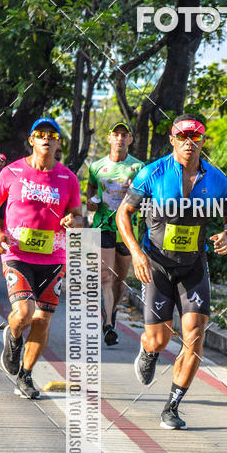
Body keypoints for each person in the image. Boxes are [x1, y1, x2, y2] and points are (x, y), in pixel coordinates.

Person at [116, 113, 227, 429]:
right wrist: (136, 252)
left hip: (193, 266)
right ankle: (148, 349)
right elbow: (123, 215)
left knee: (195, 336)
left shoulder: (216, 179)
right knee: (159, 339)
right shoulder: (151, 173)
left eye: (195, 136)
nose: (189, 142)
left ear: (202, 140)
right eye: (182, 136)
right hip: (156, 265)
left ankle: (172, 406)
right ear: (172, 139)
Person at [0, 117, 82, 398]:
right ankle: (14, 335)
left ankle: (26, 375)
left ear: (58, 142)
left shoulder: (68, 178)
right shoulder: (11, 172)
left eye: (52, 134)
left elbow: (78, 215)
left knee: (43, 320)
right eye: (40, 134)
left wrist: (73, 220)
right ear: (32, 140)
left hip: (53, 257)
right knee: (24, 313)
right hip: (17, 253)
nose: (46, 138)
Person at [87, 122, 144, 346]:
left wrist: (136, 193)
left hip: (128, 228)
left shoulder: (139, 167)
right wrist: (90, 202)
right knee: (106, 277)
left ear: (130, 140)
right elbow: (90, 190)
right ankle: (109, 323)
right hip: (104, 225)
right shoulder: (96, 166)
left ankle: (112, 311)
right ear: (109, 138)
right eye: (116, 134)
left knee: (120, 281)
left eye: (124, 135)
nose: (120, 138)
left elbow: (147, 198)